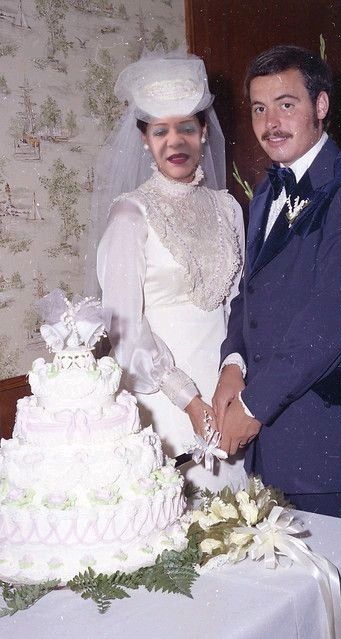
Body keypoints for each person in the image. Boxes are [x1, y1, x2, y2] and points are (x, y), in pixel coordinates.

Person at [213, 45, 341, 522]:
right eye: (259, 108)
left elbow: (329, 319)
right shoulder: (264, 193)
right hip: (273, 438)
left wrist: (251, 408)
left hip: (326, 439)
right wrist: (232, 361)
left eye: (286, 104)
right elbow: (248, 293)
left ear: (321, 106)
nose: (270, 121)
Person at [91, 53, 246, 492]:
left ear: (203, 134)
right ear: (144, 139)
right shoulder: (130, 215)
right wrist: (189, 401)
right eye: (160, 131)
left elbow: (240, 304)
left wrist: (234, 380)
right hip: (166, 398)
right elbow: (123, 326)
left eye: (186, 128)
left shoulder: (228, 208)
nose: (174, 142)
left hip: (229, 391)